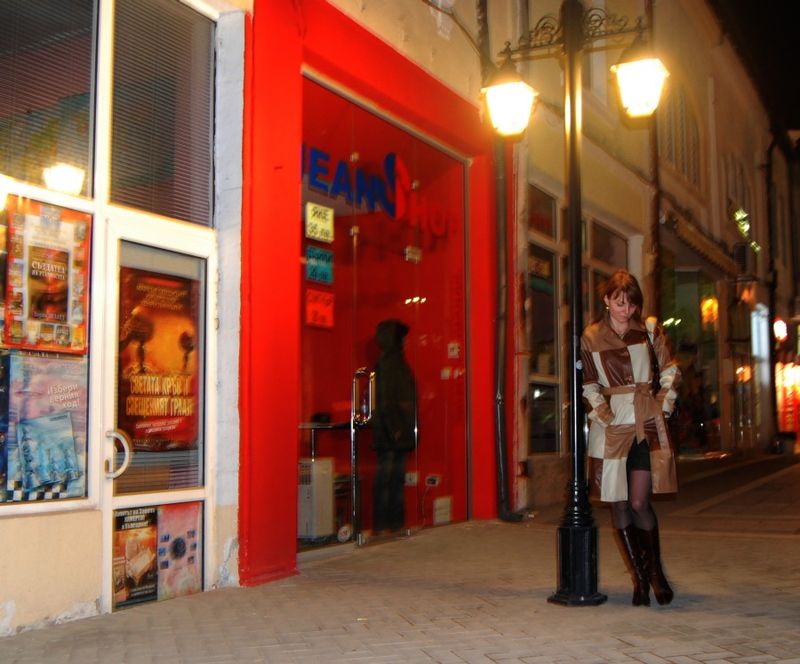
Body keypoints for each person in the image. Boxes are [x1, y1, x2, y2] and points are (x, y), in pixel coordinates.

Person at [580, 270, 680, 606]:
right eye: (620, 302)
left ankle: (656, 574)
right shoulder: (591, 336)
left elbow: (670, 371)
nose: (627, 310)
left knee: (639, 501)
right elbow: (589, 383)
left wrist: (662, 406)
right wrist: (602, 412)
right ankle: (638, 577)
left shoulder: (649, 330)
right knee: (619, 502)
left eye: (632, 304)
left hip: (644, 423)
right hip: (610, 428)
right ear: (607, 300)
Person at [371, 319, 416, 534]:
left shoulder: (391, 362)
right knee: (391, 480)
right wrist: (397, 429)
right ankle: (390, 525)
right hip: (394, 432)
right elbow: (387, 401)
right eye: (402, 337)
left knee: (391, 480)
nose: (405, 341)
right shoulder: (393, 363)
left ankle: (388, 525)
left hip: (393, 431)